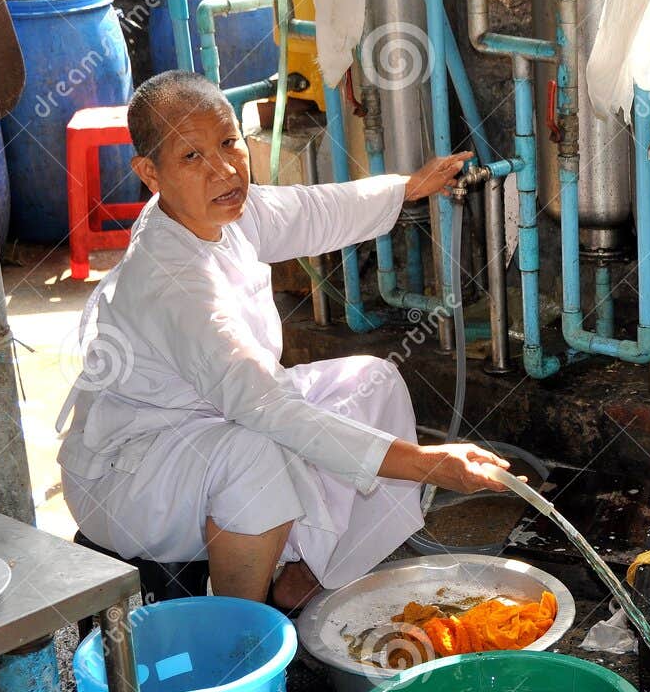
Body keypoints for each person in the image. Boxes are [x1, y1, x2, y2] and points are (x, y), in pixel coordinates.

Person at [57, 71, 507, 610]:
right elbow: (267, 407)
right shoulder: (171, 280)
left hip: (211, 419)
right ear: (149, 173)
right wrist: (428, 464)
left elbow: (313, 210)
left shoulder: (219, 211)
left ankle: (302, 576)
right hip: (134, 471)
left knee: (373, 381)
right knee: (257, 453)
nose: (224, 169)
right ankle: (243, 634)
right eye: (191, 157)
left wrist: (407, 187)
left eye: (228, 142)